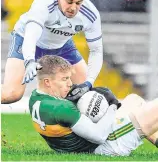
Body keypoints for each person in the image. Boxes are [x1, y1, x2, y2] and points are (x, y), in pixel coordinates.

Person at [2, 0, 103, 104]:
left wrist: (89, 82)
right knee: (12, 94)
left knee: (86, 95)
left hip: (62, 45)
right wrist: (29, 61)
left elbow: (96, 51)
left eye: (78, 3)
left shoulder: (91, 14)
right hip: (27, 39)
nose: (73, 8)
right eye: (69, 1)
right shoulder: (44, 2)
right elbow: (31, 36)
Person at [29, 55, 158, 156]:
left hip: (83, 147)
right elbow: (99, 136)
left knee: (133, 100)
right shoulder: (61, 108)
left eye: (69, 78)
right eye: (64, 79)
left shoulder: (35, 98)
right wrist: (112, 105)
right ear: (47, 82)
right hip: (110, 144)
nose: (70, 83)